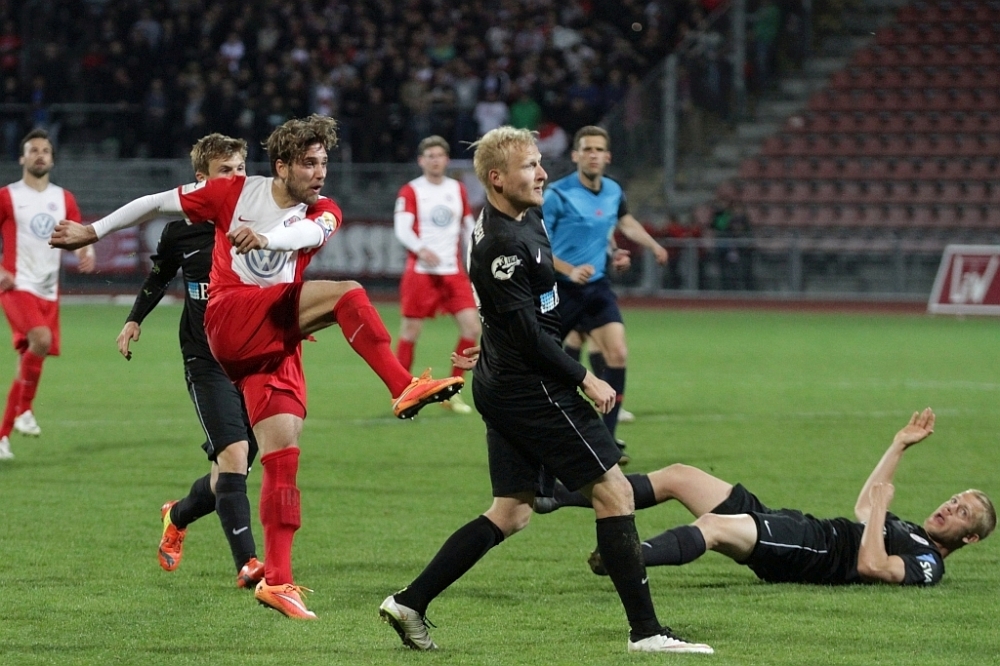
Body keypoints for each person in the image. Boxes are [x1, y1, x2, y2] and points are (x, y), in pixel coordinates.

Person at [50, 114, 464, 619]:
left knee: (283, 456)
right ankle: (402, 385)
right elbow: (155, 202)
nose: (320, 173)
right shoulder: (235, 192)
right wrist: (91, 231)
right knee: (349, 294)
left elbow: (306, 232)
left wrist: (267, 240)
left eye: (324, 162)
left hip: (274, 339)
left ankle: (279, 580)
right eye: (309, 163)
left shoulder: (324, 210)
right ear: (282, 165)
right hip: (230, 317)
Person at [378, 126, 712, 655]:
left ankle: (410, 602)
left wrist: (494, 344)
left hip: (504, 377)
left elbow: (516, 316)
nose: (542, 174)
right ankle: (646, 633)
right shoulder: (501, 245)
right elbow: (529, 337)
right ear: (496, 178)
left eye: (539, 162)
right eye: (529, 166)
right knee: (615, 492)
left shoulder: (524, 216)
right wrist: (584, 375)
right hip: (528, 387)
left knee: (511, 512)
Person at [539, 409, 996, 587]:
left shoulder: (928, 564)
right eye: (955, 499)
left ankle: (625, 556)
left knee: (713, 528)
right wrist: (898, 446)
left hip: (808, 552)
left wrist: (879, 511)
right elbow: (864, 508)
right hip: (797, 526)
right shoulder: (911, 531)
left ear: (970, 538)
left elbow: (872, 565)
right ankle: (554, 495)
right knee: (680, 476)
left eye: (963, 512)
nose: (950, 506)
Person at [116, 133, 264, 588]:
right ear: (201, 179)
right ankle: (248, 564)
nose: (236, 178)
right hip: (206, 359)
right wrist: (134, 319)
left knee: (231, 471)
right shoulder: (181, 229)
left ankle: (177, 514)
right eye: (225, 171)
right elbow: (160, 274)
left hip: (254, 357)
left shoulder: (259, 221)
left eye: (240, 169)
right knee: (235, 456)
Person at [541, 126, 668, 452]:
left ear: (607, 156)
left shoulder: (613, 190)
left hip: (596, 287)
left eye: (599, 150)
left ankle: (606, 440)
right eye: (587, 149)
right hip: (559, 290)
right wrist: (569, 269)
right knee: (543, 362)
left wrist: (650, 246)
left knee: (618, 353)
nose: (593, 155)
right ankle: (543, 428)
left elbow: (623, 223)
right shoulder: (557, 194)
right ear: (575, 155)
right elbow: (538, 245)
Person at [0, 128, 95, 460]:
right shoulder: (7, 196)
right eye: (33, 150)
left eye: (45, 151)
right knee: (40, 339)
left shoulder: (63, 198)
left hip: (48, 291)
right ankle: (25, 409)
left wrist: (86, 252)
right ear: (22, 158)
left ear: (52, 160)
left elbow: (78, 234)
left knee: (26, 362)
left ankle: (2, 436)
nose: (39, 155)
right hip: (16, 286)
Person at [393, 136, 480, 415]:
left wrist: (477, 252)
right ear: (421, 160)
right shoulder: (411, 190)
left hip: (453, 272)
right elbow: (402, 228)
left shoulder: (457, 189)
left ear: (447, 160)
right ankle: (401, 392)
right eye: (430, 155)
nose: (435, 160)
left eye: (440, 155)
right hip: (422, 272)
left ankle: (452, 392)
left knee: (472, 328)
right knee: (410, 332)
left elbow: (468, 225)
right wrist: (421, 249)